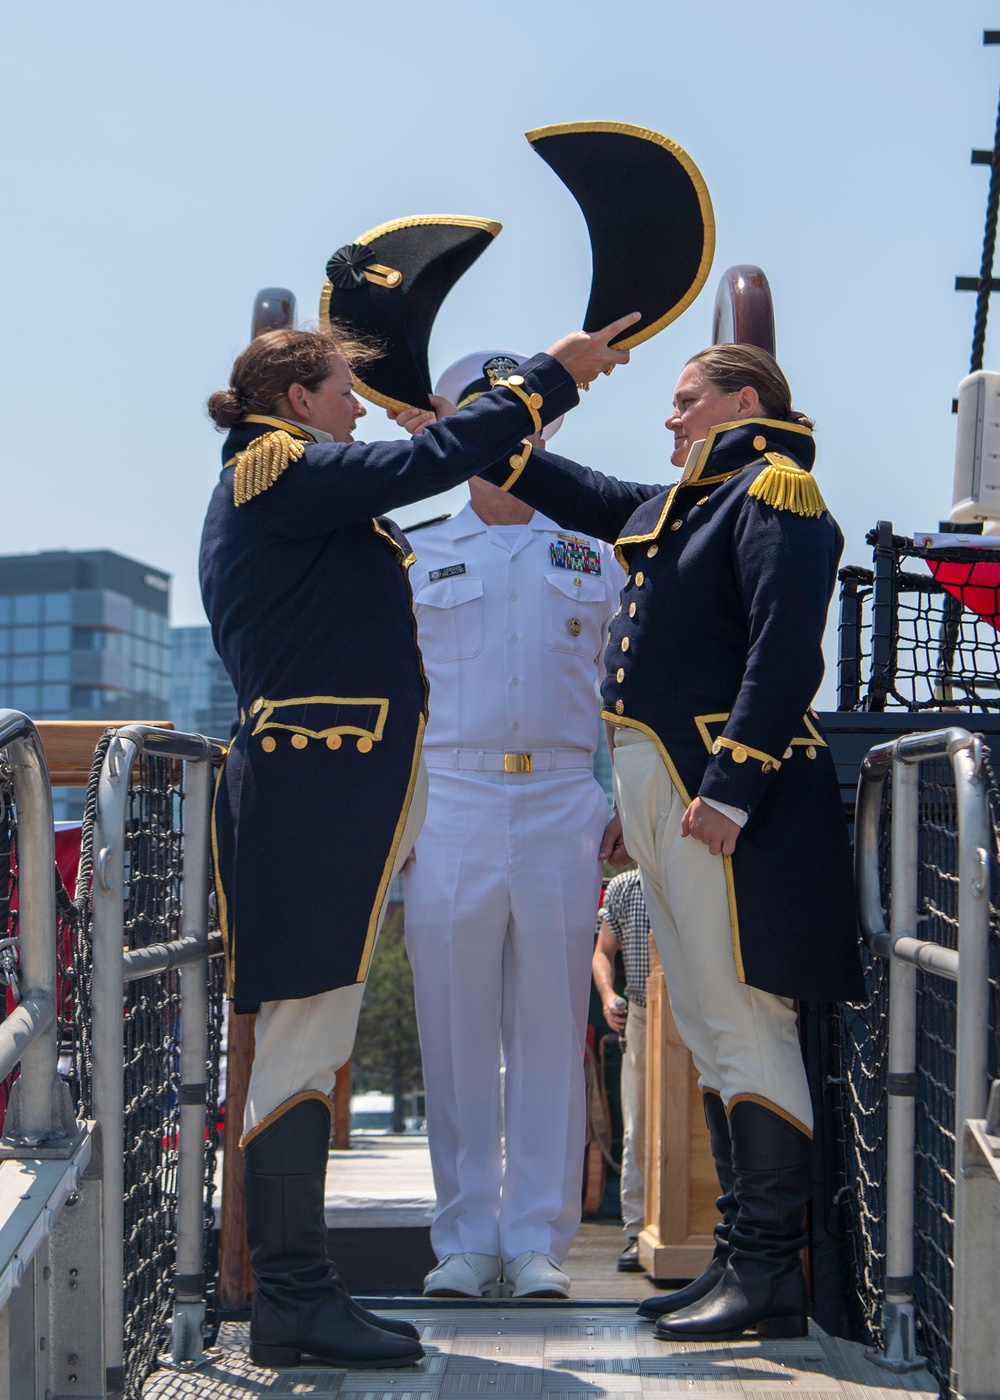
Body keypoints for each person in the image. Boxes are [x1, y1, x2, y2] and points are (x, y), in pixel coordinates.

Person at [199, 314, 636, 1369]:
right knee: (314, 1036)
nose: (361, 408)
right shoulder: (281, 468)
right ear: (299, 400)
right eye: (346, 392)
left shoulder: (303, 479)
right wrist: (550, 378)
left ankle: (311, 1289)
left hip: (354, 793)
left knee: (322, 1036)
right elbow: (428, 460)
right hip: (338, 791)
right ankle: (297, 1295)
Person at [470, 342, 864, 1342]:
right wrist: (462, 424)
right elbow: (572, 484)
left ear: (742, 400)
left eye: (685, 400)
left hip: (718, 791)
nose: (669, 418)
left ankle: (771, 1270)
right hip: (663, 786)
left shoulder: (773, 489)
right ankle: (740, 1258)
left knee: (743, 1021)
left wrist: (732, 786)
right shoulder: (688, 505)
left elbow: (786, 646)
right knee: (703, 1016)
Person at [401, 351, 626, 1301]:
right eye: (486, 417)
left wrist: (626, 797)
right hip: (446, 796)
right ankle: (462, 1240)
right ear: (453, 426)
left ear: (546, 432)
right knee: (452, 1030)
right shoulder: (410, 552)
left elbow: (631, 685)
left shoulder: (600, 553)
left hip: (566, 801)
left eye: (522, 419)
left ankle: (535, 1239)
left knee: (548, 1029)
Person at [591, 868, 650, 1271]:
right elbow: (602, 951)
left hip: (699, 1009)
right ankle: (637, 1229)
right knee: (638, 1123)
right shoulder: (625, 886)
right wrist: (609, 995)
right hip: (645, 1011)